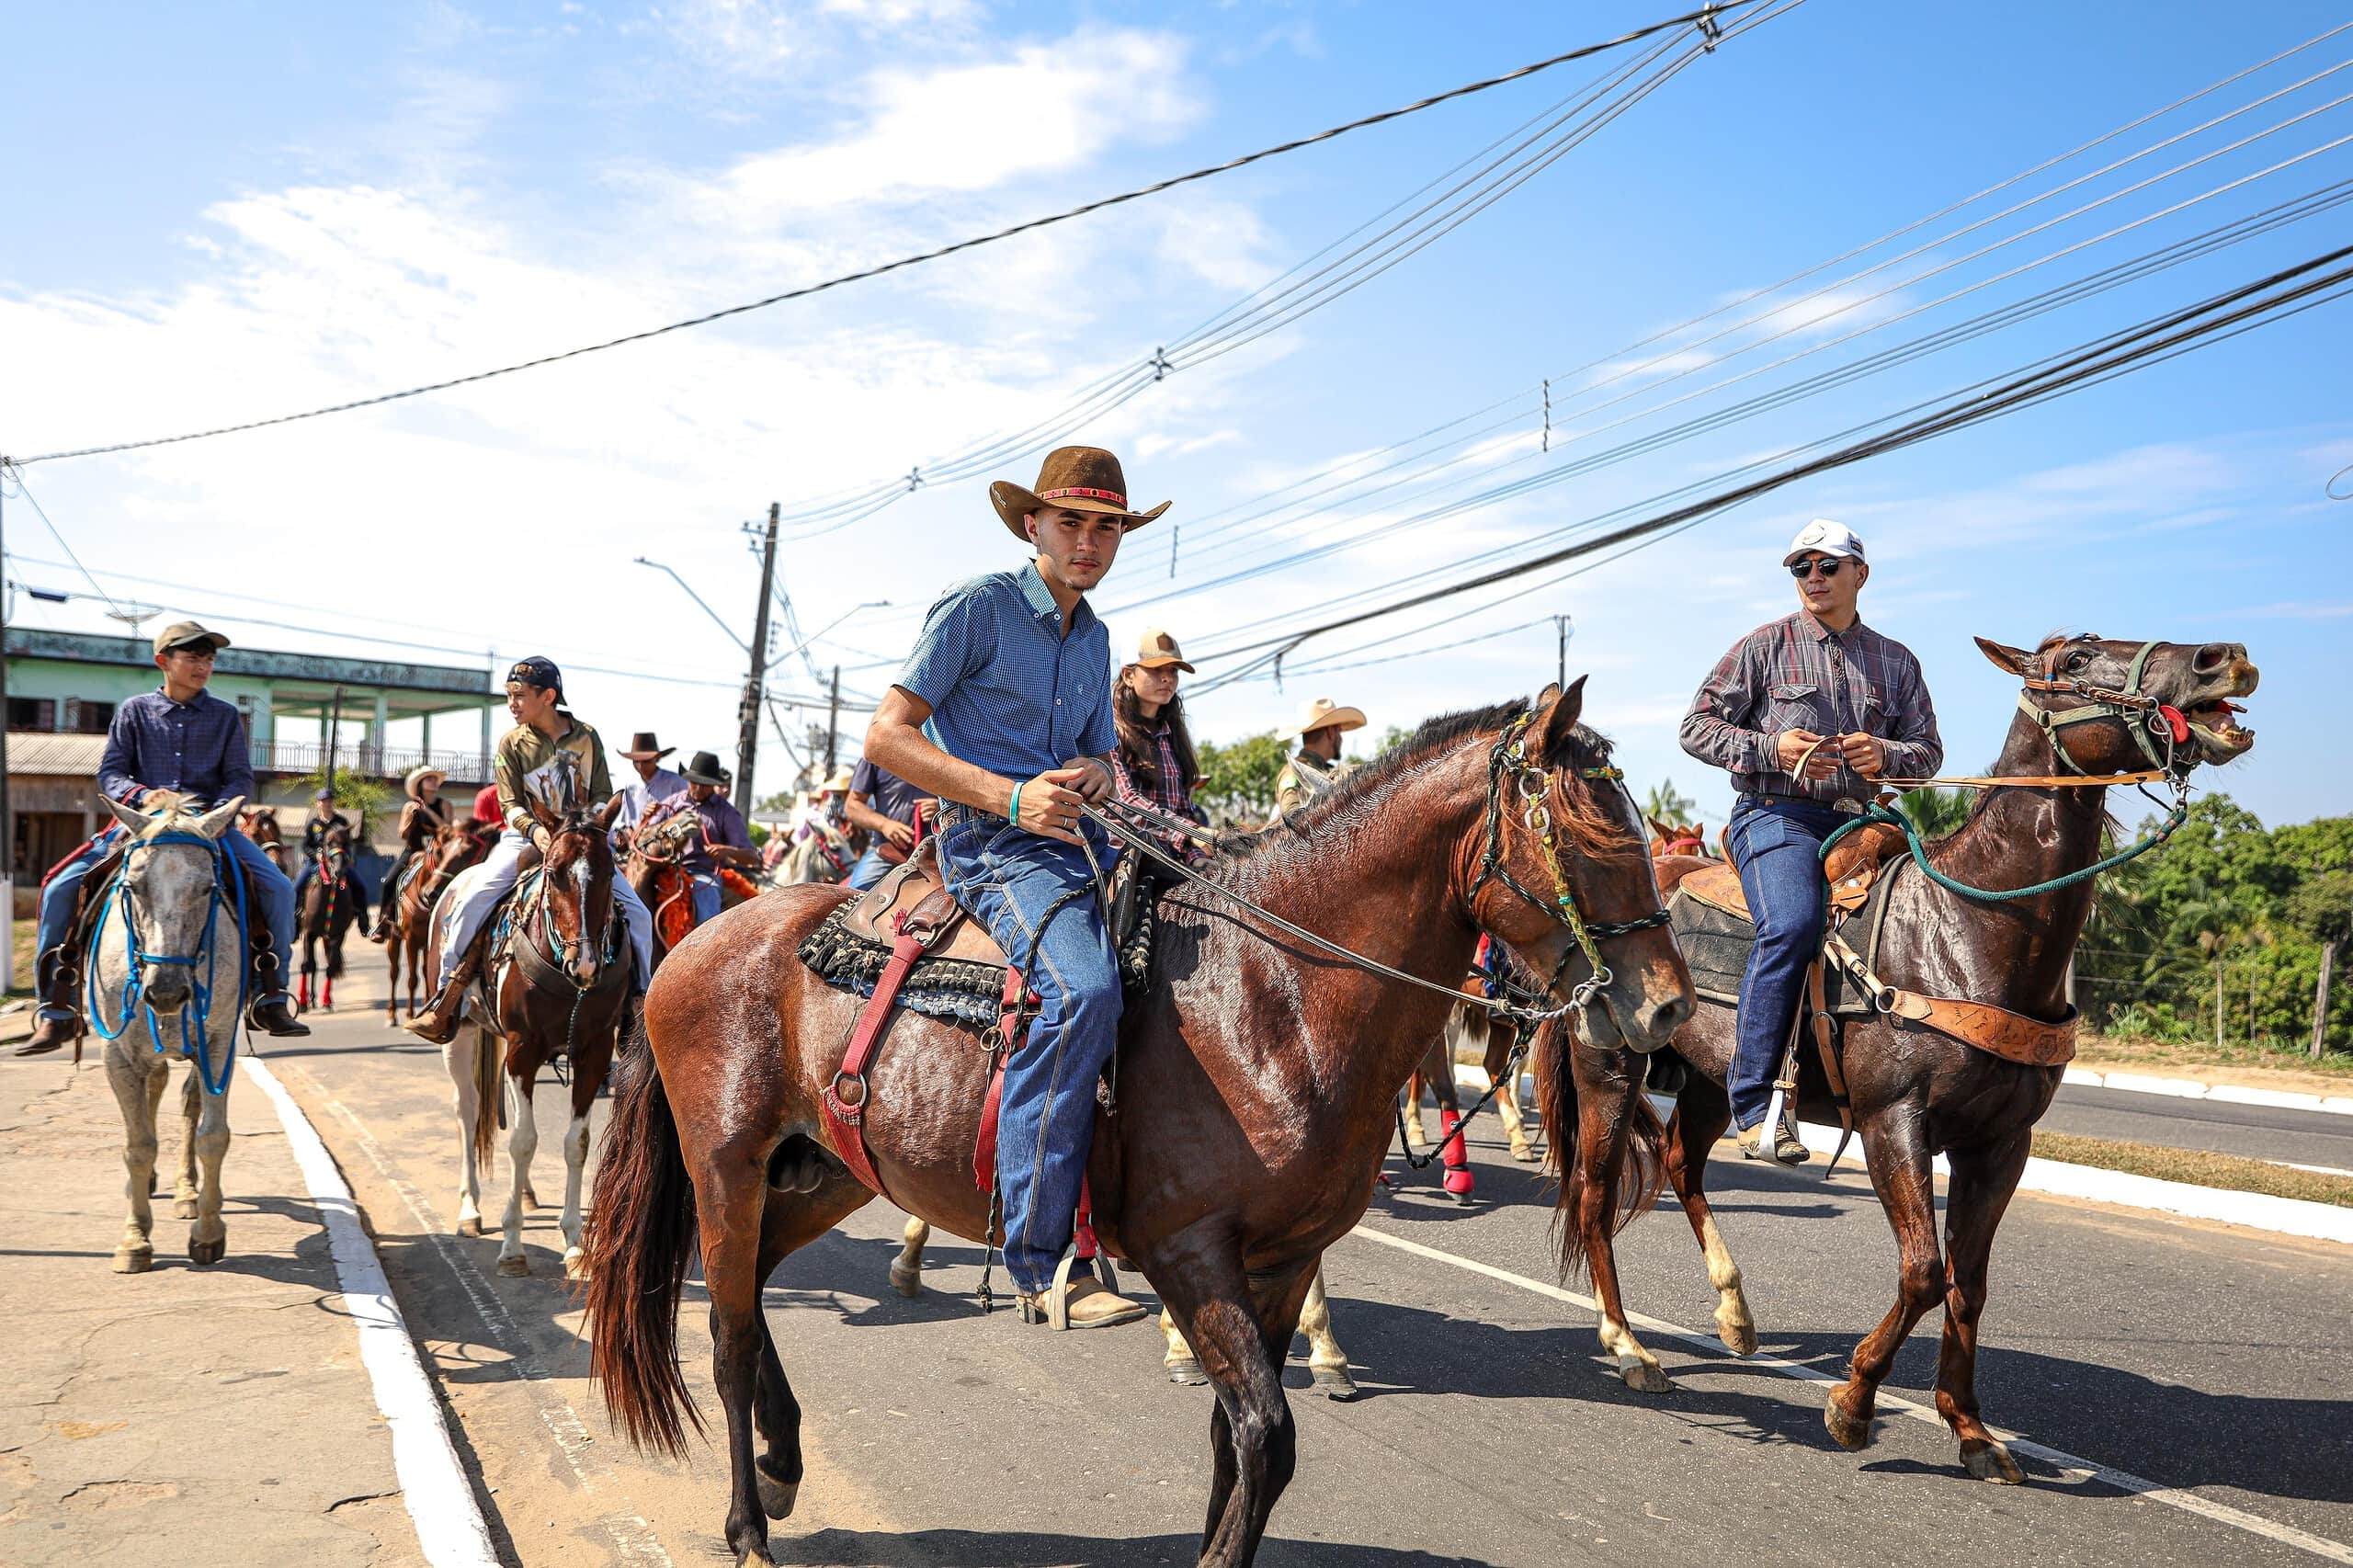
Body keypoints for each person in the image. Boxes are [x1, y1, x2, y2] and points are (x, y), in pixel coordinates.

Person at [865, 445, 1165, 1329]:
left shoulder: (1101, 637)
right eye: (1070, 522)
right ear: (1031, 525)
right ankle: (1045, 1257)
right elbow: (887, 737)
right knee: (1082, 993)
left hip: (1080, 840)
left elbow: (1094, 749)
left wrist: (1104, 771)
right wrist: (1010, 796)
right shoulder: (978, 608)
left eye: (1107, 526)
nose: (1089, 541)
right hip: (988, 843)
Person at [1679, 519, 1944, 1164]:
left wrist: (1883, 753)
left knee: (1936, 919)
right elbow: (1695, 728)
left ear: (1861, 574)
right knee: (1794, 926)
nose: (1814, 578)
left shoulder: (1897, 661)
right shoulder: (1763, 647)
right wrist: (1772, 747)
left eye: (1827, 565)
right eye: (1802, 568)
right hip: (1776, 817)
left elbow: (1929, 755)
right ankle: (1754, 1101)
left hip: (1864, 823)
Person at [20, 621, 308, 1054]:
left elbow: (238, 778)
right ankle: (57, 1009)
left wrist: (218, 813)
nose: (203, 666)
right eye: (192, 658)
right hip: (141, 827)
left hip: (206, 829)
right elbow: (112, 773)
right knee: (60, 885)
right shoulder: (134, 711)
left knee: (279, 888)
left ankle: (270, 993)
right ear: (163, 662)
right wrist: (141, 794)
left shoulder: (226, 716)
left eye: (208, 659)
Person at [405, 657, 657, 1044]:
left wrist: (583, 827)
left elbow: (604, 792)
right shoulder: (512, 743)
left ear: (548, 696)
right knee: (472, 898)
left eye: (520, 696)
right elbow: (509, 803)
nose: (513, 704)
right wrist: (537, 831)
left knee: (638, 916)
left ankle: (638, 1004)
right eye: (510, 696)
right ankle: (446, 998)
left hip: (579, 841)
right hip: (525, 840)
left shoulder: (587, 738)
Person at [1109, 628, 1210, 859]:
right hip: (1122, 859)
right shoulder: (1108, 730)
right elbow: (1126, 803)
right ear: (1128, 676)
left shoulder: (1172, 735)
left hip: (1172, 859)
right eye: (1156, 669)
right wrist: (1191, 832)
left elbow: (1184, 809)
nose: (1167, 678)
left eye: (1173, 670)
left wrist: (1197, 857)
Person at [638, 750, 761, 926]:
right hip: (663, 869)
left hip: (702, 874)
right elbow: (646, 834)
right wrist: (646, 817)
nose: (698, 788)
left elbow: (751, 856)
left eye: (704, 784)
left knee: (707, 906)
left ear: (713, 785)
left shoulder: (726, 813)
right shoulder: (672, 802)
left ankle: (705, 948)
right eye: (694, 782)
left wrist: (727, 851)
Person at [366, 767, 450, 941]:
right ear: (420, 784)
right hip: (414, 852)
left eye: (435, 779)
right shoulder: (409, 806)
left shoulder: (444, 805)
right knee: (388, 882)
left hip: (438, 855)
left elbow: (447, 829)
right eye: (429, 779)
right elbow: (402, 834)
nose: (434, 782)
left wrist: (428, 811)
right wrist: (412, 817)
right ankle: (383, 924)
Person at [842, 753, 933, 891]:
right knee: (853, 900)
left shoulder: (944, 744)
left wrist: (941, 806)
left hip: (940, 850)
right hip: (887, 850)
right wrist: (884, 825)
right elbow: (852, 805)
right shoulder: (876, 751)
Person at [1273, 696, 1368, 817]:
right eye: (1338, 730)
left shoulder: (1329, 771)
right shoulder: (1293, 772)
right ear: (1331, 732)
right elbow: (1291, 816)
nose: (1340, 737)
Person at [293, 785, 369, 931]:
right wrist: (316, 855)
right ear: (318, 803)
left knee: (360, 885)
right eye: (323, 801)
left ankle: (363, 919)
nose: (327, 803)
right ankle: (295, 922)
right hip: (316, 863)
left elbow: (348, 844)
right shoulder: (313, 824)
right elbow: (306, 845)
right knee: (296, 887)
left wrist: (346, 857)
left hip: (338, 862)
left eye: (329, 800)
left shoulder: (341, 822)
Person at [612, 732, 687, 844]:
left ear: (657, 759)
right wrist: (634, 843)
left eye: (646, 761)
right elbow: (628, 825)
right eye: (636, 761)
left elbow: (688, 815)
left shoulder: (675, 781)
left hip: (671, 846)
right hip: (639, 850)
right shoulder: (631, 788)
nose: (641, 766)